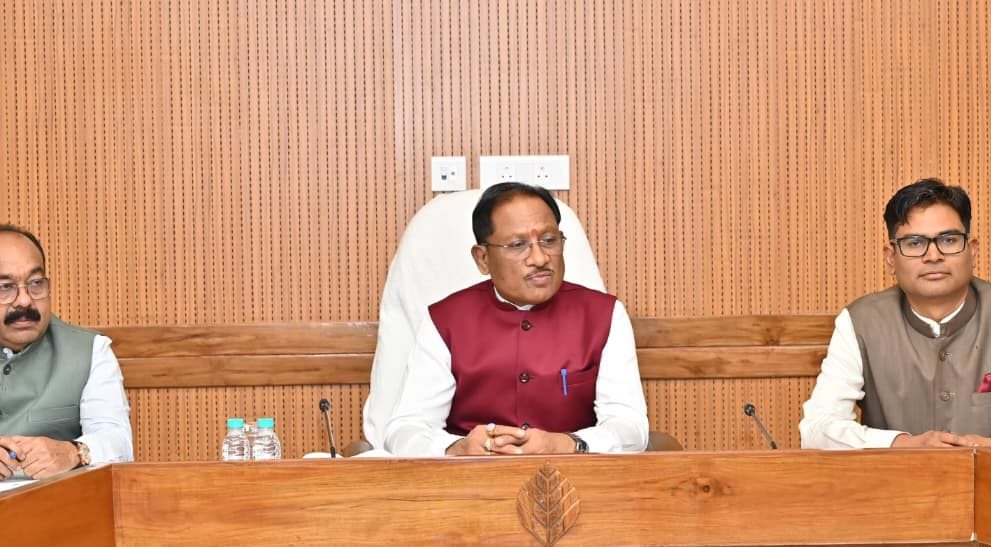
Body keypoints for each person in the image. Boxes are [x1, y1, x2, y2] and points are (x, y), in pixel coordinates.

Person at [384, 183, 648, 456]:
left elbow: (630, 426)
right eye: (518, 245)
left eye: (549, 240)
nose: (540, 258)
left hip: (573, 476)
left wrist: (567, 443)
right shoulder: (445, 320)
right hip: (469, 478)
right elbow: (406, 428)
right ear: (483, 259)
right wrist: (457, 448)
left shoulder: (604, 314)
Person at [801, 178, 991, 449]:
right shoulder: (862, 322)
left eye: (948, 240)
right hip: (896, 477)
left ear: (972, 250)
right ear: (891, 258)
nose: (933, 256)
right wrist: (901, 444)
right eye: (915, 243)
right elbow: (816, 430)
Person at [0, 224, 133, 479]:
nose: (25, 300)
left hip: (57, 500)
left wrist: (74, 452)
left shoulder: (90, 351)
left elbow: (119, 442)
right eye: (5, 287)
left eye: (35, 283)